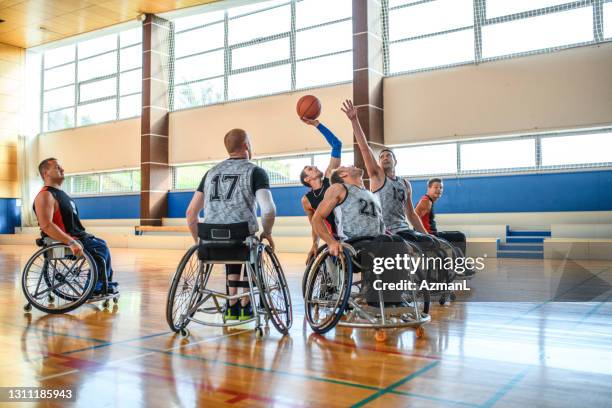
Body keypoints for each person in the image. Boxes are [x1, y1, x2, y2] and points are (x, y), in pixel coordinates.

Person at [185, 128, 276, 321]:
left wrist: (200, 242)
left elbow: (191, 214)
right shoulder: (255, 171)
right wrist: (267, 232)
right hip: (241, 239)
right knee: (247, 247)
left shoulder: (210, 173)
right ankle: (245, 304)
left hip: (212, 241)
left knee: (231, 248)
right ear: (246, 145)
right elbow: (268, 210)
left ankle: (232, 304)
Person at [340, 100, 438, 251]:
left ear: (395, 161)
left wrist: (426, 234)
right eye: (382, 156)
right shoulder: (377, 176)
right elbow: (364, 148)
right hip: (386, 232)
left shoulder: (405, 183)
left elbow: (411, 214)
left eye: (388, 156)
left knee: (435, 242)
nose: (385, 157)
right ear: (378, 163)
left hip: (404, 229)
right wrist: (354, 120)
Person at [33, 158, 118, 296]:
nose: (62, 169)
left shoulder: (62, 195)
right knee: (100, 248)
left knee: (101, 245)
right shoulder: (45, 195)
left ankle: (104, 284)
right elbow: (46, 225)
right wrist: (71, 242)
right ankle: (95, 289)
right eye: (57, 167)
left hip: (78, 238)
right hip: (64, 242)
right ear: (45, 173)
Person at [311, 165, 385, 257]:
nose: (353, 165)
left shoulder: (370, 194)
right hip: (353, 244)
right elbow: (316, 219)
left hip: (377, 241)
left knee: (398, 241)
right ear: (343, 174)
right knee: (391, 244)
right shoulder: (339, 188)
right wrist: (331, 242)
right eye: (346, 166)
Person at [299, 117, 342, 263]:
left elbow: (337, 145)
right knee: (330, 277)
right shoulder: (306, 200)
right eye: (310, 169)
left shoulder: (330, 178)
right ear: (307, 179)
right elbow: (315, 224)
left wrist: (317, 124)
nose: (315, 167)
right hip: (332, 238)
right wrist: (314, 244)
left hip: (347, 231)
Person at [415, 178, 468, 257]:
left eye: (441, 187)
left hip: (433, 234)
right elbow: (415, 220)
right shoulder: (425, 201)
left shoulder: (429, 201)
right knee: (460, 237)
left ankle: (458, 263)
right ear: (429, 188)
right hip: (429, 236)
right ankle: (459, 265)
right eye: (436, 187)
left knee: (458, 235)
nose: (439, 189)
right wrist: (426, 236)